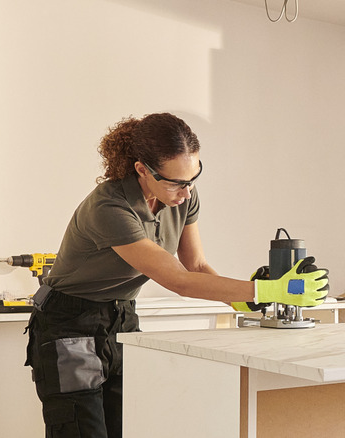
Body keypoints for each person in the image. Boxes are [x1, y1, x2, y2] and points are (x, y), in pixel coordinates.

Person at [23, 112, 329, 438]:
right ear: (142, 169)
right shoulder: (109, 208)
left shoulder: (184, 196)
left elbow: (195, 266)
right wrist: (268, 292)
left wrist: (244, 301)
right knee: (82, 432)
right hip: (69, 321)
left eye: (193, 179)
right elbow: (177, 280)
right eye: (177, 182)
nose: (186, 192)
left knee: (126, 427)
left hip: (122, 317)